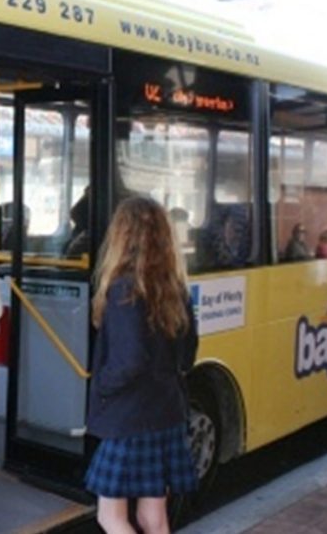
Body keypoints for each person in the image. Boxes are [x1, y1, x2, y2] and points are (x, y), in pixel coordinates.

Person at [85, 197, 198, 534]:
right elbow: (188, 353)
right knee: (154, 517)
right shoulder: (175, 288)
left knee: (111, 517)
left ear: (122, 237)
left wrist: (102, 385)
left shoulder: (123, 289)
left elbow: (129, 360)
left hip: (130, 418)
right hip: (167, 412)